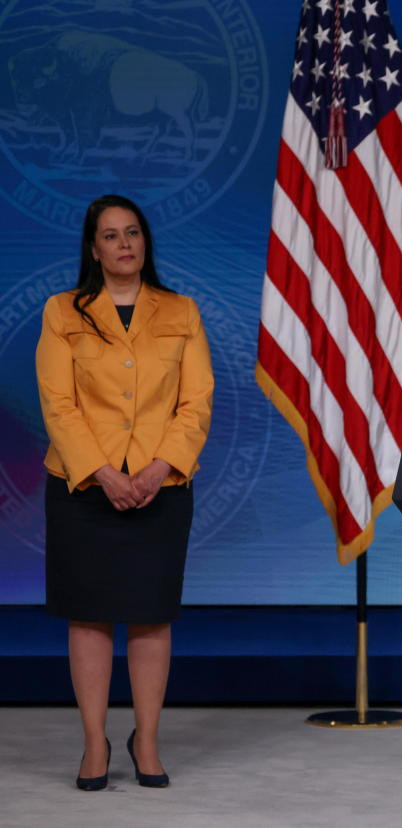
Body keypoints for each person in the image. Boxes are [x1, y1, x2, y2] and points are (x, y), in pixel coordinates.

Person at [35, 194, 214, 790]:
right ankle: (93, 743)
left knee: (149, 617)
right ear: (94, 248)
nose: (124, 244)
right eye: (110, 236)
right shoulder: (64, 312)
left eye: (132, 232)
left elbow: (196, 403)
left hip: (160, 486)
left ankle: (148, 742)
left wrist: (160, 467)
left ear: (145, 242)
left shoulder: (182, 311)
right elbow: (59, 406)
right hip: (84, 488)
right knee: (87, 618)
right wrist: (104, 472)